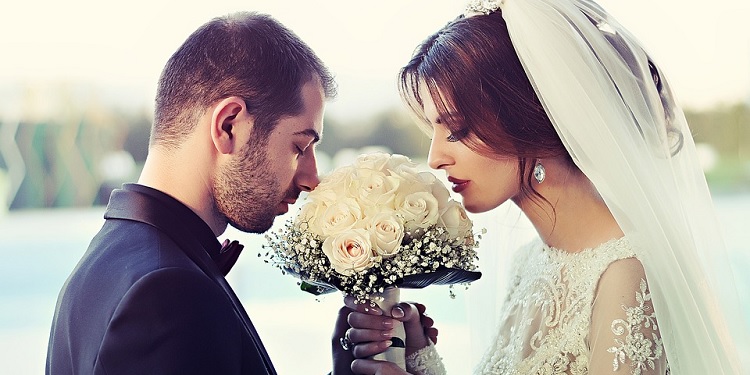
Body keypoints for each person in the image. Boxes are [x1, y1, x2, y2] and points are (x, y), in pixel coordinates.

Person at [338, 0, 749, 374]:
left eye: (458, 129)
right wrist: (417, 354)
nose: (435, 158)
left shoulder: (626, 275)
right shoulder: (531, 261)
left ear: (528, 116)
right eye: (434, 130)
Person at [46, 12, 337, 374]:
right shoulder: (168, 294)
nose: (311, 179)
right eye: (299, 147)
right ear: (229, 125)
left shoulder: (111, 255)